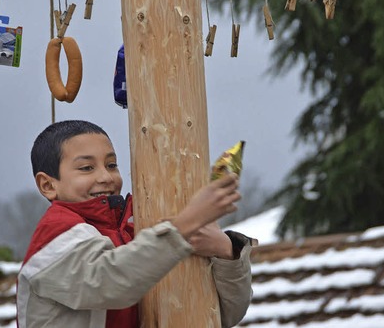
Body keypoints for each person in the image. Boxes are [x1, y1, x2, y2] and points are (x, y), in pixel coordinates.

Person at [17, 120, 253, 328]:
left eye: (111, 165)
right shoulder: (54, 234)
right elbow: (109, 282)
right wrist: (187, 223)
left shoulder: (144, 228)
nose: (106, 177)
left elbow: (225, 315)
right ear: (48, 185)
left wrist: (226, 251)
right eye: (86, 168)